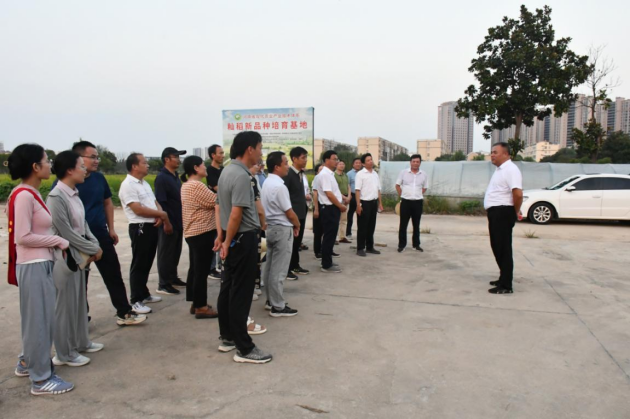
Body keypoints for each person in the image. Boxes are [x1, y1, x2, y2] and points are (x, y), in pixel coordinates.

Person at [7, 144, 74, 395]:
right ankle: (41, 379)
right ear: (35, 167)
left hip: (40, 263)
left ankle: (28, 362)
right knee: (39, 322)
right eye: (46, 161)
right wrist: (57, 241)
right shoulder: (24, 195)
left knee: (37, 319)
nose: (50, 165)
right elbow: (22, 237)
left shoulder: (29, 193)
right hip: (33, 265)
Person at [60, 141, 148, 325]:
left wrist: (111, 228)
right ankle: (81, 317)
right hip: (78, 239)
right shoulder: (66, 184)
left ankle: (124, 312)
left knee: (113, 273)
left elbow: (107, 203)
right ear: (78, 158)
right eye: (92, 157)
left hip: (100, 234)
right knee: (80, 279)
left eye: (97, 157)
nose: (96, 161)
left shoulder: (99, 179)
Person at [214, 131, 272, 364]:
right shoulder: (241, 176)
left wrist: (222, 237)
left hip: (232, 238)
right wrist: (227, 241)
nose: (260, 152)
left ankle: (227, 337)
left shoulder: (227, 171)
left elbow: (219, 207)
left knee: (228, 288)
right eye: (259, 147)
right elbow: (236, 213)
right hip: (242, 239)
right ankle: (244, 348)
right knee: (241, 293)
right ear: (250, 149)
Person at [47, 151, 104, 368]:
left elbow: (83, 225)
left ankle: (81, 342)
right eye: (81, 166)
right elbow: (66, 232)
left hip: (79, 256)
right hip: (65, 258)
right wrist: (93, 248)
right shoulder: (56, 197)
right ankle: (64, 353)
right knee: (65, 307)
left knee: (79, 303)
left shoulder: (74, 193)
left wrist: (94, 243)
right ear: (69, 170)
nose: (85, 169)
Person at [118, 153, 172, 307]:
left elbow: (155, 202)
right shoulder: (128, 185)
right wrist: (161, 215)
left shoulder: (144, 184)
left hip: (151, 226)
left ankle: (144, 293)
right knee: (139, 263)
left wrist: (159, 214)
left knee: (147, 262)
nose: (147, 165)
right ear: (134, 166)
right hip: (140, 227)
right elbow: (138, 209)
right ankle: (135, 299)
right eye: (144, 162)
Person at [261, 151, 301, 317]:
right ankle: (277, 306)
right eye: (285, 163)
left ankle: (271, 300)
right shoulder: (279, 187)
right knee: (279, 270)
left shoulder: (267, 182)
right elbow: (289, 212)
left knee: (270, 267)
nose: (287, 166)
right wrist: (297, 224)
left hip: (270, 228)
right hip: (282, 229)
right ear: (277, 167)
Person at [180, 155, 219, 318]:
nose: (205, 167)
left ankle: (195, 302)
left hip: (193, 232)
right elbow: (217, 201)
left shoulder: (187, 185)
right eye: (203, 164)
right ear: (196, 168)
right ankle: (201, 307)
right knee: (201, 272)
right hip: (202, 232)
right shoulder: (196, 185)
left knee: (196, 269)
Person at [484, 142, 523, 294]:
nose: (492, 155)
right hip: (496, 212)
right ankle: (503, 277)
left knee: (503, 248)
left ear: (506, 154)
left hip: (503, 212)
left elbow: (518, 194)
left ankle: (506, 285)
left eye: (495, 152)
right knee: (497, 246)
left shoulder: (511, 169)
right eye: (492, 152)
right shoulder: (500, 170)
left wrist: (515, 211)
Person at [155, 147, 187, 295]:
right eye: (176, 157)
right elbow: (161, 202)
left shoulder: (175, 176)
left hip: (178, 221)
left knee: (175, 252)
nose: (178, 160)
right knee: (166, 253)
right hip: (169, 222)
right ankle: (163, 283)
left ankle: (173, 277)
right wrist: (166, 222)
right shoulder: (162, 178)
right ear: (167, 159)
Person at [318, 150, 347, 273]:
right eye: (334, 159)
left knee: (331, 236)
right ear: (327, 160)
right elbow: (329, 194)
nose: (337, 161)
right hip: (329, 208)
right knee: (329, 237)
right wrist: (340, 206)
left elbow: (334, 191)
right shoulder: (325, 174)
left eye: (337, 159)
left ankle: (328, 260)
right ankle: (326, 264)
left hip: (332, 208)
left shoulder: (330, 174)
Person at [283, 146, 310, 276]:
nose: (305, 160)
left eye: (306, 157)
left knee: (297, 242)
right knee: (291, 243)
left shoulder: (300, 174)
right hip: (292, 215)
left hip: (301, 213)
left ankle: (295, 265)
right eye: (303, 157)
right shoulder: (288, 175)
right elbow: (285, 197)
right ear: (294, 159)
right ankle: (287, 269)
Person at [396, 154, 428, 253]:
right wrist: (402, 195)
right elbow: (397, 185)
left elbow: (425, 187)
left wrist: (417, 194)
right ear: (410, 162)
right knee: (403, 225)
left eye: (417, 162)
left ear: (420, 163)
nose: (415, 163)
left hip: (418, 202)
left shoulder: (423, 174)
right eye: (413, 161)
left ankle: (416, 245)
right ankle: (402, 245)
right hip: (405, 202)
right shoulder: (403, 173)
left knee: (416, 225)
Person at [355, 153, 383, 257]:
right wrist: (358, 205)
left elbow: (378, 189)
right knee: (363, 226)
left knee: (371, 226)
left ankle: (370, 247)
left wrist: (380, 203)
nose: (370, 161)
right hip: (364, 203)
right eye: (368, 160)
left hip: (374, 203)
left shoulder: (375, 174)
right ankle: (360, 248)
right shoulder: (360, 174)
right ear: (363, 164)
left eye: (371, 159)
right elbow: (357, 190)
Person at [206, 144, 224, 280]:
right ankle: (211, 268)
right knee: (215, 238)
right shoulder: (210, 171)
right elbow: (218, 188)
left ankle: (220, 265)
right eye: (220, 153)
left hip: (224, 208)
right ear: (213, 155)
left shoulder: (223, 170)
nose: (223, 155)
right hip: (215, 208)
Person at [334, 160, 352, 244]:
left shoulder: (345, 175)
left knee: (344, 219)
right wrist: (344, 197)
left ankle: (342, 236)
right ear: (336, 165)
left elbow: (348, 186)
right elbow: (335, 189)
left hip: (346, 199)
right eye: (340, 164)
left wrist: (348, 197)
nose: (342, 165)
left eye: (343, 164)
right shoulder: (333, 175)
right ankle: (334, 237)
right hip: (337, 198)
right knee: (336, 219)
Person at [346, 158, 362, 239]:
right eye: (356, 163)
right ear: (353, 164)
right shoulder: (349, 174)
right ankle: (348, 233)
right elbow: (347, 185)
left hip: (361, 197)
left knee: (361, 215)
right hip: (353, 196)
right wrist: (349, 196)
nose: (358, 164)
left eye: (359, 163)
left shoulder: (363, 173)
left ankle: (361, 233)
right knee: (350, 215)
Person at [311, 164, 324, 259]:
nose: (322, 171)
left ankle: (325, 250)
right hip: (318, 205)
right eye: (320, 169)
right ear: (317, 171)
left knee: (325, 230)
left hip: (326, 205)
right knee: (318, 231)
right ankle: (317, 251)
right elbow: (315, 194)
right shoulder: (317, 178)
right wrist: (316, 209)